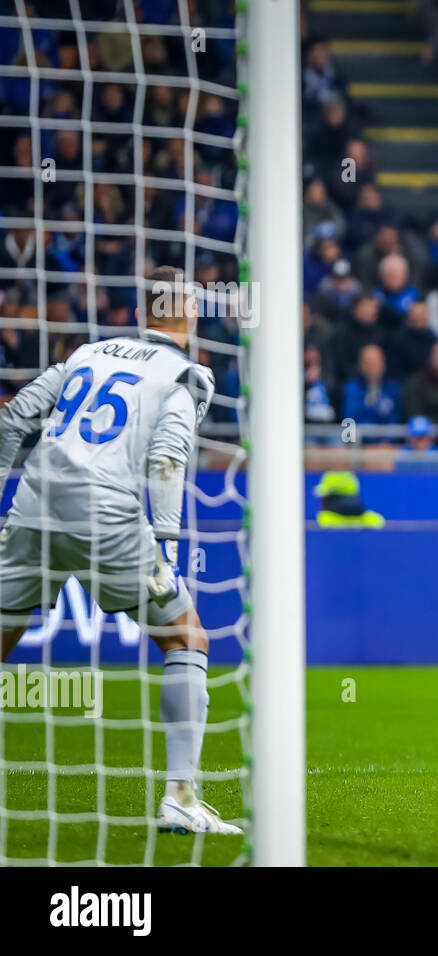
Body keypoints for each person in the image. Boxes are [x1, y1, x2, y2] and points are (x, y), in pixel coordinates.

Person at [0, 266, 240, 835]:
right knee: (186, 637)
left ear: (140, 313)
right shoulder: (184, 374)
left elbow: (13, 420)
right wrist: (166, 546)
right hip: (106, 514)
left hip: (35, 501)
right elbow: (166, 459)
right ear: (189, 315)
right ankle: (181, 797)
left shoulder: (87, 353)